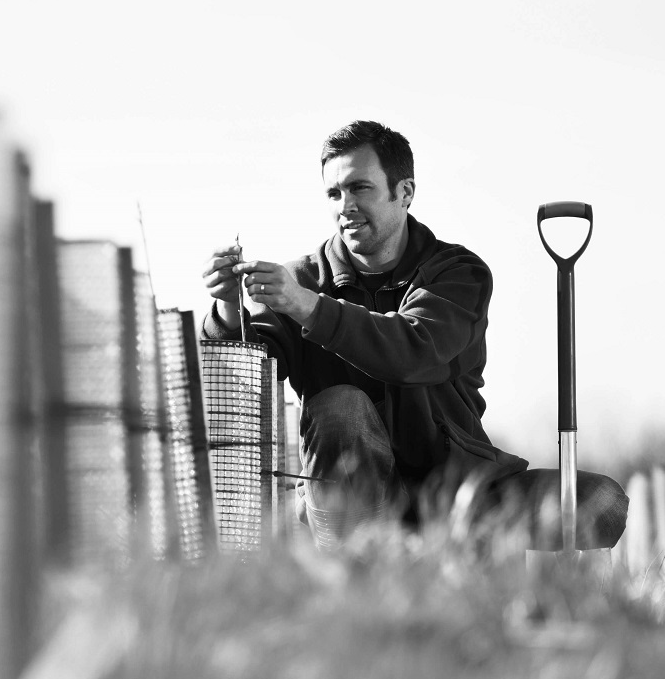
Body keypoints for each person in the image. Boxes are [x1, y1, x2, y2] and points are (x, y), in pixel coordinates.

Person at [201, 120, 626, 550]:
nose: (344, 206)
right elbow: (242, 386)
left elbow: (413, 351)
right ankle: (351, 569)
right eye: (334, 193)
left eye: (359, 188)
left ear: (404, 192)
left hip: (457, 492)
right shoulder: (301, 282)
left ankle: (453, 548)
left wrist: (309, 307)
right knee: (341, 407)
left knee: (601, 501)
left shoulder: (458, 275)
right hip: (348, 498)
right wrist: (227, 308)